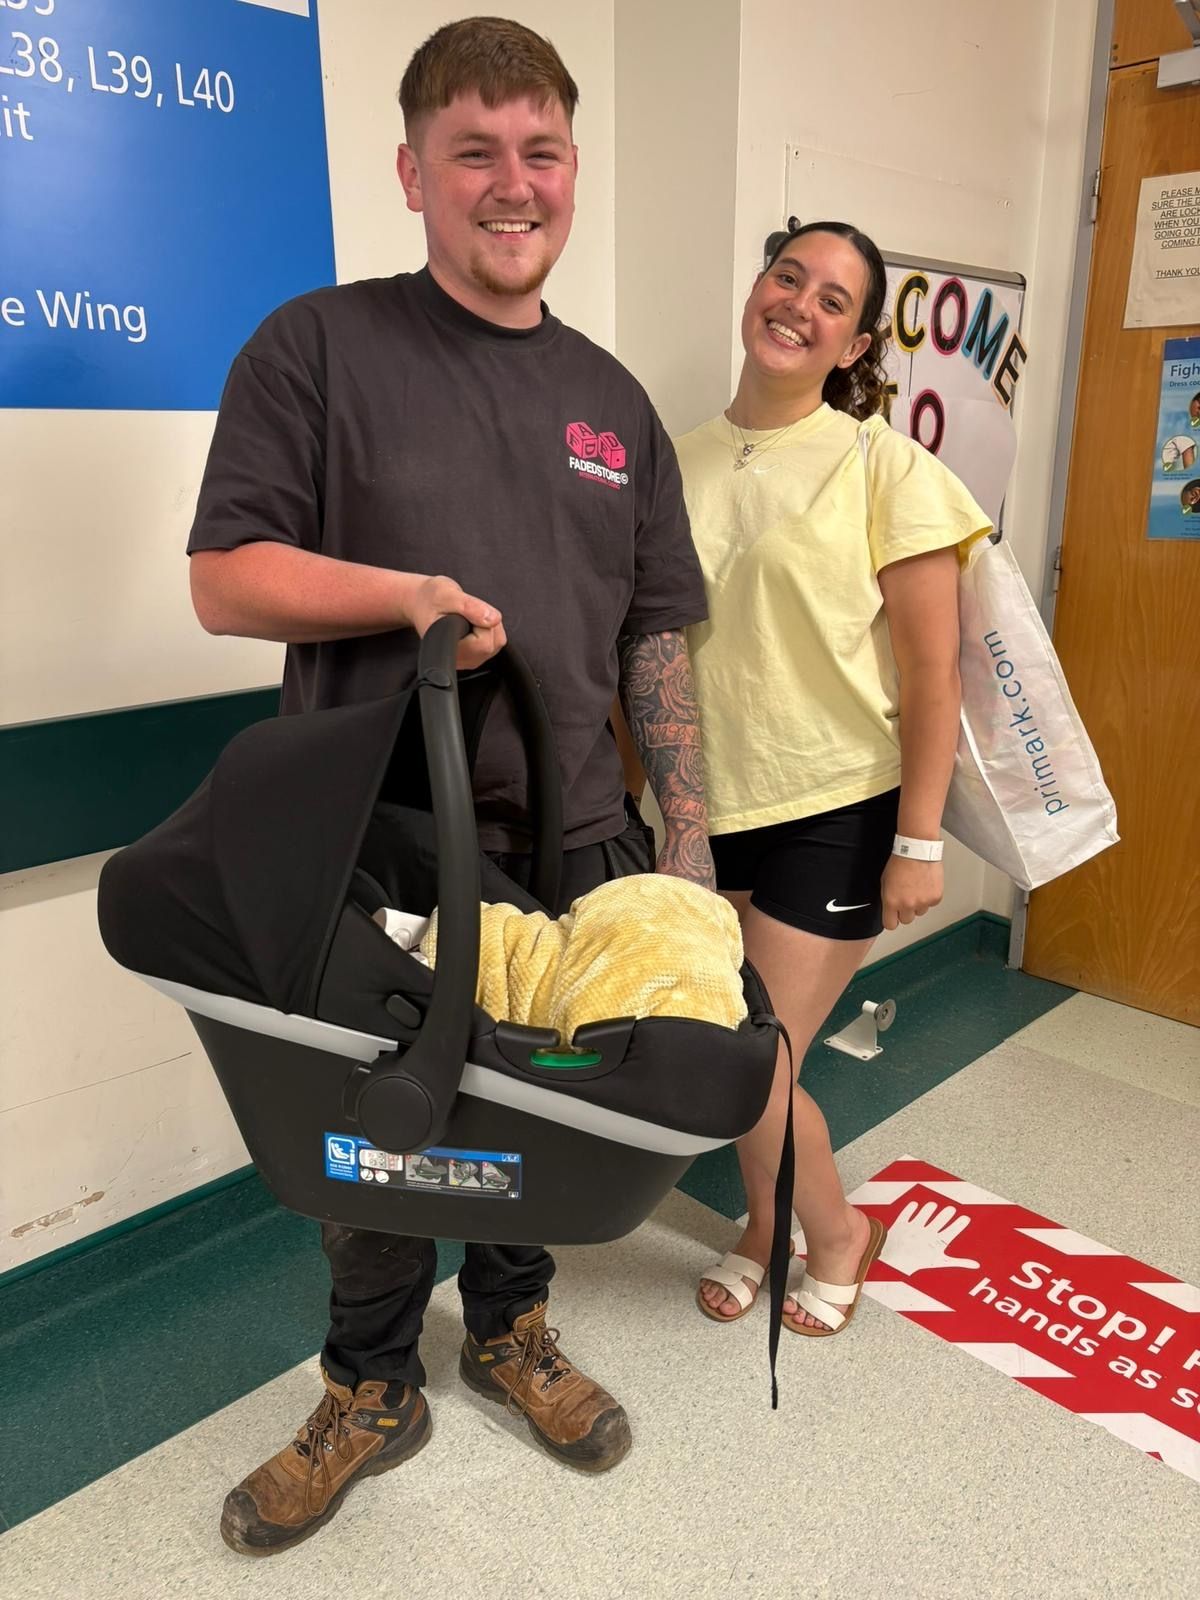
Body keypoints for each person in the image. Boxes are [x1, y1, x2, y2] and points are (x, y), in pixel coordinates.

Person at [187, 17, 714, 1556]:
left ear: (574, 171)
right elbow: (226, 579)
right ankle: (369, 1384)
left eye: (540, 151)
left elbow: (654, 631)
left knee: (539, 1118)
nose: (512, 182)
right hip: (380, 846)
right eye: (474, 150)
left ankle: (509, 1333)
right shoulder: (316, 348)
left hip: (574, 845)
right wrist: (404, 594)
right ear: (413, 172)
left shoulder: (613, 404)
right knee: (375, 1133)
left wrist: (685, 851)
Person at [677, 221, 990, 1336]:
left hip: (838, 805)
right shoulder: (676, 460)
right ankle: (769, 1229)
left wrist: (918, 840)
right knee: (739, 1059)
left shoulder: (885, 468)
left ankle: (836, 1229)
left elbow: (933, 671)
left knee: (749, 1062)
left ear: (855, 344)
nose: (799, 305)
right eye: (787, 277)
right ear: (756, 288)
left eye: (832, 300)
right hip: (709, 808)